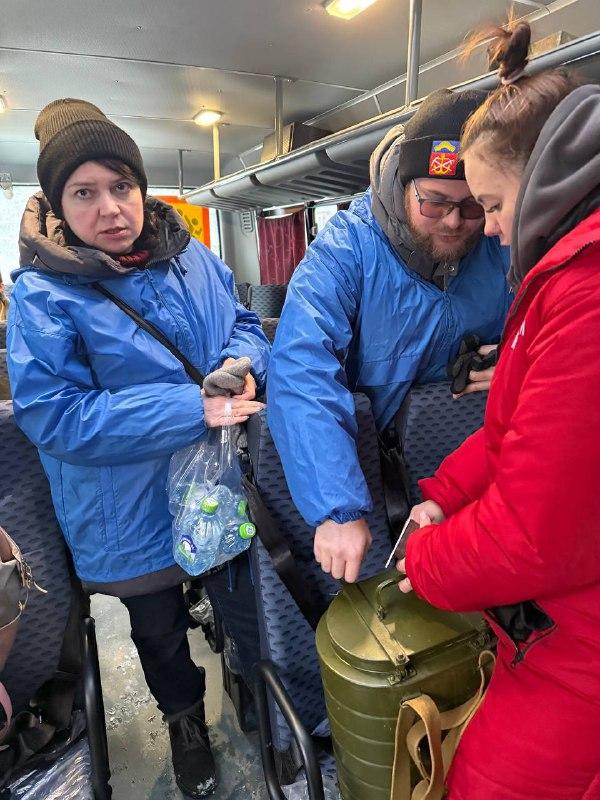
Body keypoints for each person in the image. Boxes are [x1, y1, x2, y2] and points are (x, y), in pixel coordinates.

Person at [7, 99, 270, 799]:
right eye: (84, 193)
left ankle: (255, 691)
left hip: (213, 480)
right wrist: (193, 407)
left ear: (142, 187)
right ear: (57, 204)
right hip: (126, 507)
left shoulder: (193, 258)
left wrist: (243, 364)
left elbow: (244, 321)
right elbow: (55, 415)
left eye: (121, 185)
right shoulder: (43, 296)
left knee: (244, 602)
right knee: (158, 631)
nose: (110, 208)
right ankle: (184, 721)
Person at [398, 21, 600, 800]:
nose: (486, 227)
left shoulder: (584, 296)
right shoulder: (558, 279)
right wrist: (445, 493)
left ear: (547, 176)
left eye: (490, 202)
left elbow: (529, 536)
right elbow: (517, 433)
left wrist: (426, 561)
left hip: (579, 654)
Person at [268, 89, 513, 583]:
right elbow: (301, 370)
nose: (454, 222)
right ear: (403, 184)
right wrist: (337, 506)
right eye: (435, 202)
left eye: (473, 206)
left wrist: (511, 358)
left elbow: (547, 333)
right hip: (365, 470)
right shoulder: (345, 250)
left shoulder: (499, 241)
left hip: (471, 466)